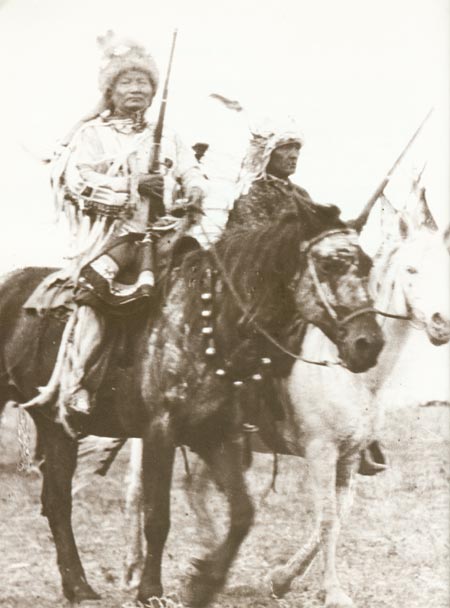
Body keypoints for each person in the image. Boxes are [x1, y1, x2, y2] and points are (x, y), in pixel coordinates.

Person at [24, 33, 208, 417]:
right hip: (110, 239)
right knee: (94, 305)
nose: (137, 89)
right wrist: (133, 185)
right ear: (110, 90)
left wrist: (192, 190)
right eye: (127, 82)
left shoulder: (169, 135)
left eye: (143, 82)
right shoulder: (92, 136)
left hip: (165, 239)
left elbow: (192, 171)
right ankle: (78, 385)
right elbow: (77, 183)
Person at [227, 121, 341, 231]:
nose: (294, 155)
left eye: (297, 148)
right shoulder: (251, 191)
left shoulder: (301, 193)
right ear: (266, 153)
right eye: (285, 147)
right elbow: (257, 243)